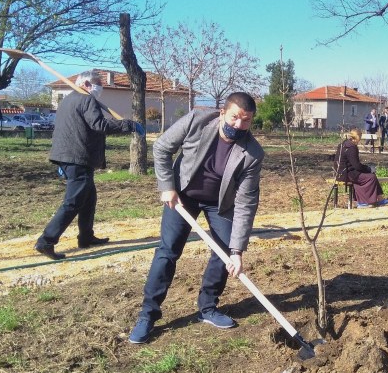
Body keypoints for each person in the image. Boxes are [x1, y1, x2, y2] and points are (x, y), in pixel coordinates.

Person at [128, 92, 264, 344]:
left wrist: (237, 250)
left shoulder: (252, 153)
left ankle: (208, 307)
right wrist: (167, 186)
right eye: (235, 118)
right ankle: (148, 314)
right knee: (168, 251)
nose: (239, 125)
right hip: (182, 196)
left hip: (219, 204)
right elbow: (162, 147)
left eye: (246, 121)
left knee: (224, 252)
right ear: (223, 112)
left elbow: (246, 202)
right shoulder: (197, 121)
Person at [34, 71, 143, 260]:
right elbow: (99, 125)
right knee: (73, 201)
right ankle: (46, 241)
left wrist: (62, 158)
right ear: (85, 83)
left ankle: (86, 237)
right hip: (78, 158)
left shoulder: (67, 100)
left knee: (89, 198)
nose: (100, 87)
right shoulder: (86, 99)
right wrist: (127, 125)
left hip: (70, 156)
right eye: (98, 83)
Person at [334, 129, 388, 208]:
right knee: (371, 177)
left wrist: (368, 169)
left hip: (340, 173)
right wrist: (369, 169)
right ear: (357, 137)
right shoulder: (352, 147)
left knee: (369, 175)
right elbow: (356, 165)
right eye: (360, 138)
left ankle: (380, 199)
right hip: (347, 174)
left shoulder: (342, 145)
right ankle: (363, 202)